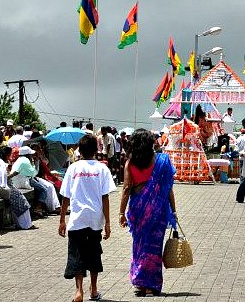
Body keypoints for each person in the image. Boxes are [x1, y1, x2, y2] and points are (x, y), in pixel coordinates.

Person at [119, 129, 177, 297]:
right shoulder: (161, 161)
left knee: (140, 246)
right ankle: (152, 284)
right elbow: (168, 188)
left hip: (138, 210)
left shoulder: (130, 163)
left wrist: (121, 213)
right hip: (158, 211)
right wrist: (173, 210)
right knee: (154, 248)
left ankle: (140, 284)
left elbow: (126, 189)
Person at [59, 134, 116, 302]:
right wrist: (107, 223)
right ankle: (94, 289)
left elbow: (65, 197)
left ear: (80, 151)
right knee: (93, 254)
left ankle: (79, 291)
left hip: (77, 220)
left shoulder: (73, 168)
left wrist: (62, 220)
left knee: (77, 255)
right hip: (95, 220)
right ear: (96, 150)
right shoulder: (102, 169)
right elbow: (105, 197)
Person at [0, 145, 33, 230]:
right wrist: (7, 194)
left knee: (19, 197)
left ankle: (22, 223)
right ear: (6, 155)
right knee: (21, 200)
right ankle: (26, 225)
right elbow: (2, 181)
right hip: (1, 189)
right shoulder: (2, 164)